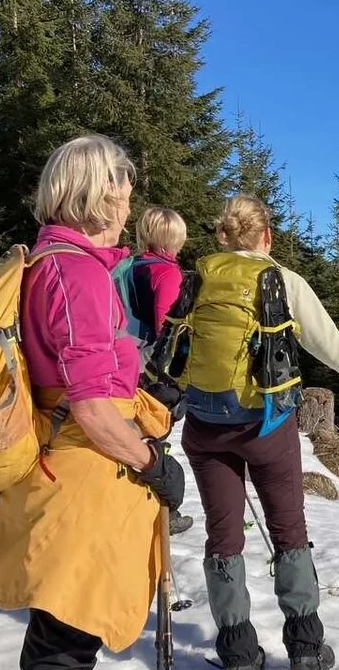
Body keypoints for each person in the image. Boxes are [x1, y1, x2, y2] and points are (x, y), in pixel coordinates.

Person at [0, 135, 186, 669]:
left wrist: (141, 388)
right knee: (66, 644)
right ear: (100, 191)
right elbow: (92, 408)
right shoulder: (77, 273)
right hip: (81, 476)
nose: (130, 201)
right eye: (124, 186)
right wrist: (153, 464)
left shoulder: (51, 259)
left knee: (57, 635)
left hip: (62, 462)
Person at [169, 194, 339, 670]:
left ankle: (238, 652)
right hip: (266, 427)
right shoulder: (282, 280)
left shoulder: (197, 279)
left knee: (223, 537)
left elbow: (169, 345)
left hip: (204, 427)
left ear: (223, 234)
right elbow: (334, 350)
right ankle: (305, 648)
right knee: (289, 532)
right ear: (267, 237)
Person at [127, 205, 194, 536]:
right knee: (154, 433)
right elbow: (166, 325)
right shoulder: (168, 273)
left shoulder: (133, 266)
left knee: (138, 432)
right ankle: (162, 510)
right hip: (151, 367)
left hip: (126, 359)